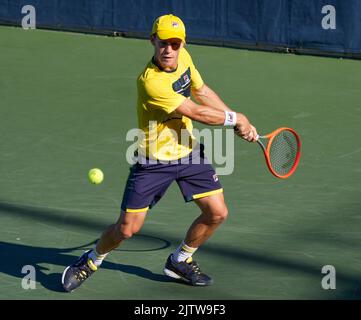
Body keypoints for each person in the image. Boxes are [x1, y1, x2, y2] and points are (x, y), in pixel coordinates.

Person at [62, 14, 257, 292]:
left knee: (217, 213)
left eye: (175, 44)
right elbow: (196, 112)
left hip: (188, 151)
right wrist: (236, 118)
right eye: (163, 42)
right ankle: (91, 261)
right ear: (153, 40)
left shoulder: (185, 58)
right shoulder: (150, 82)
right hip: (153, 161)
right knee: (127, 229)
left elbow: (201, 92)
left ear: (182, 44)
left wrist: (235, 119)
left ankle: (180, 260)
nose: (169, 50)